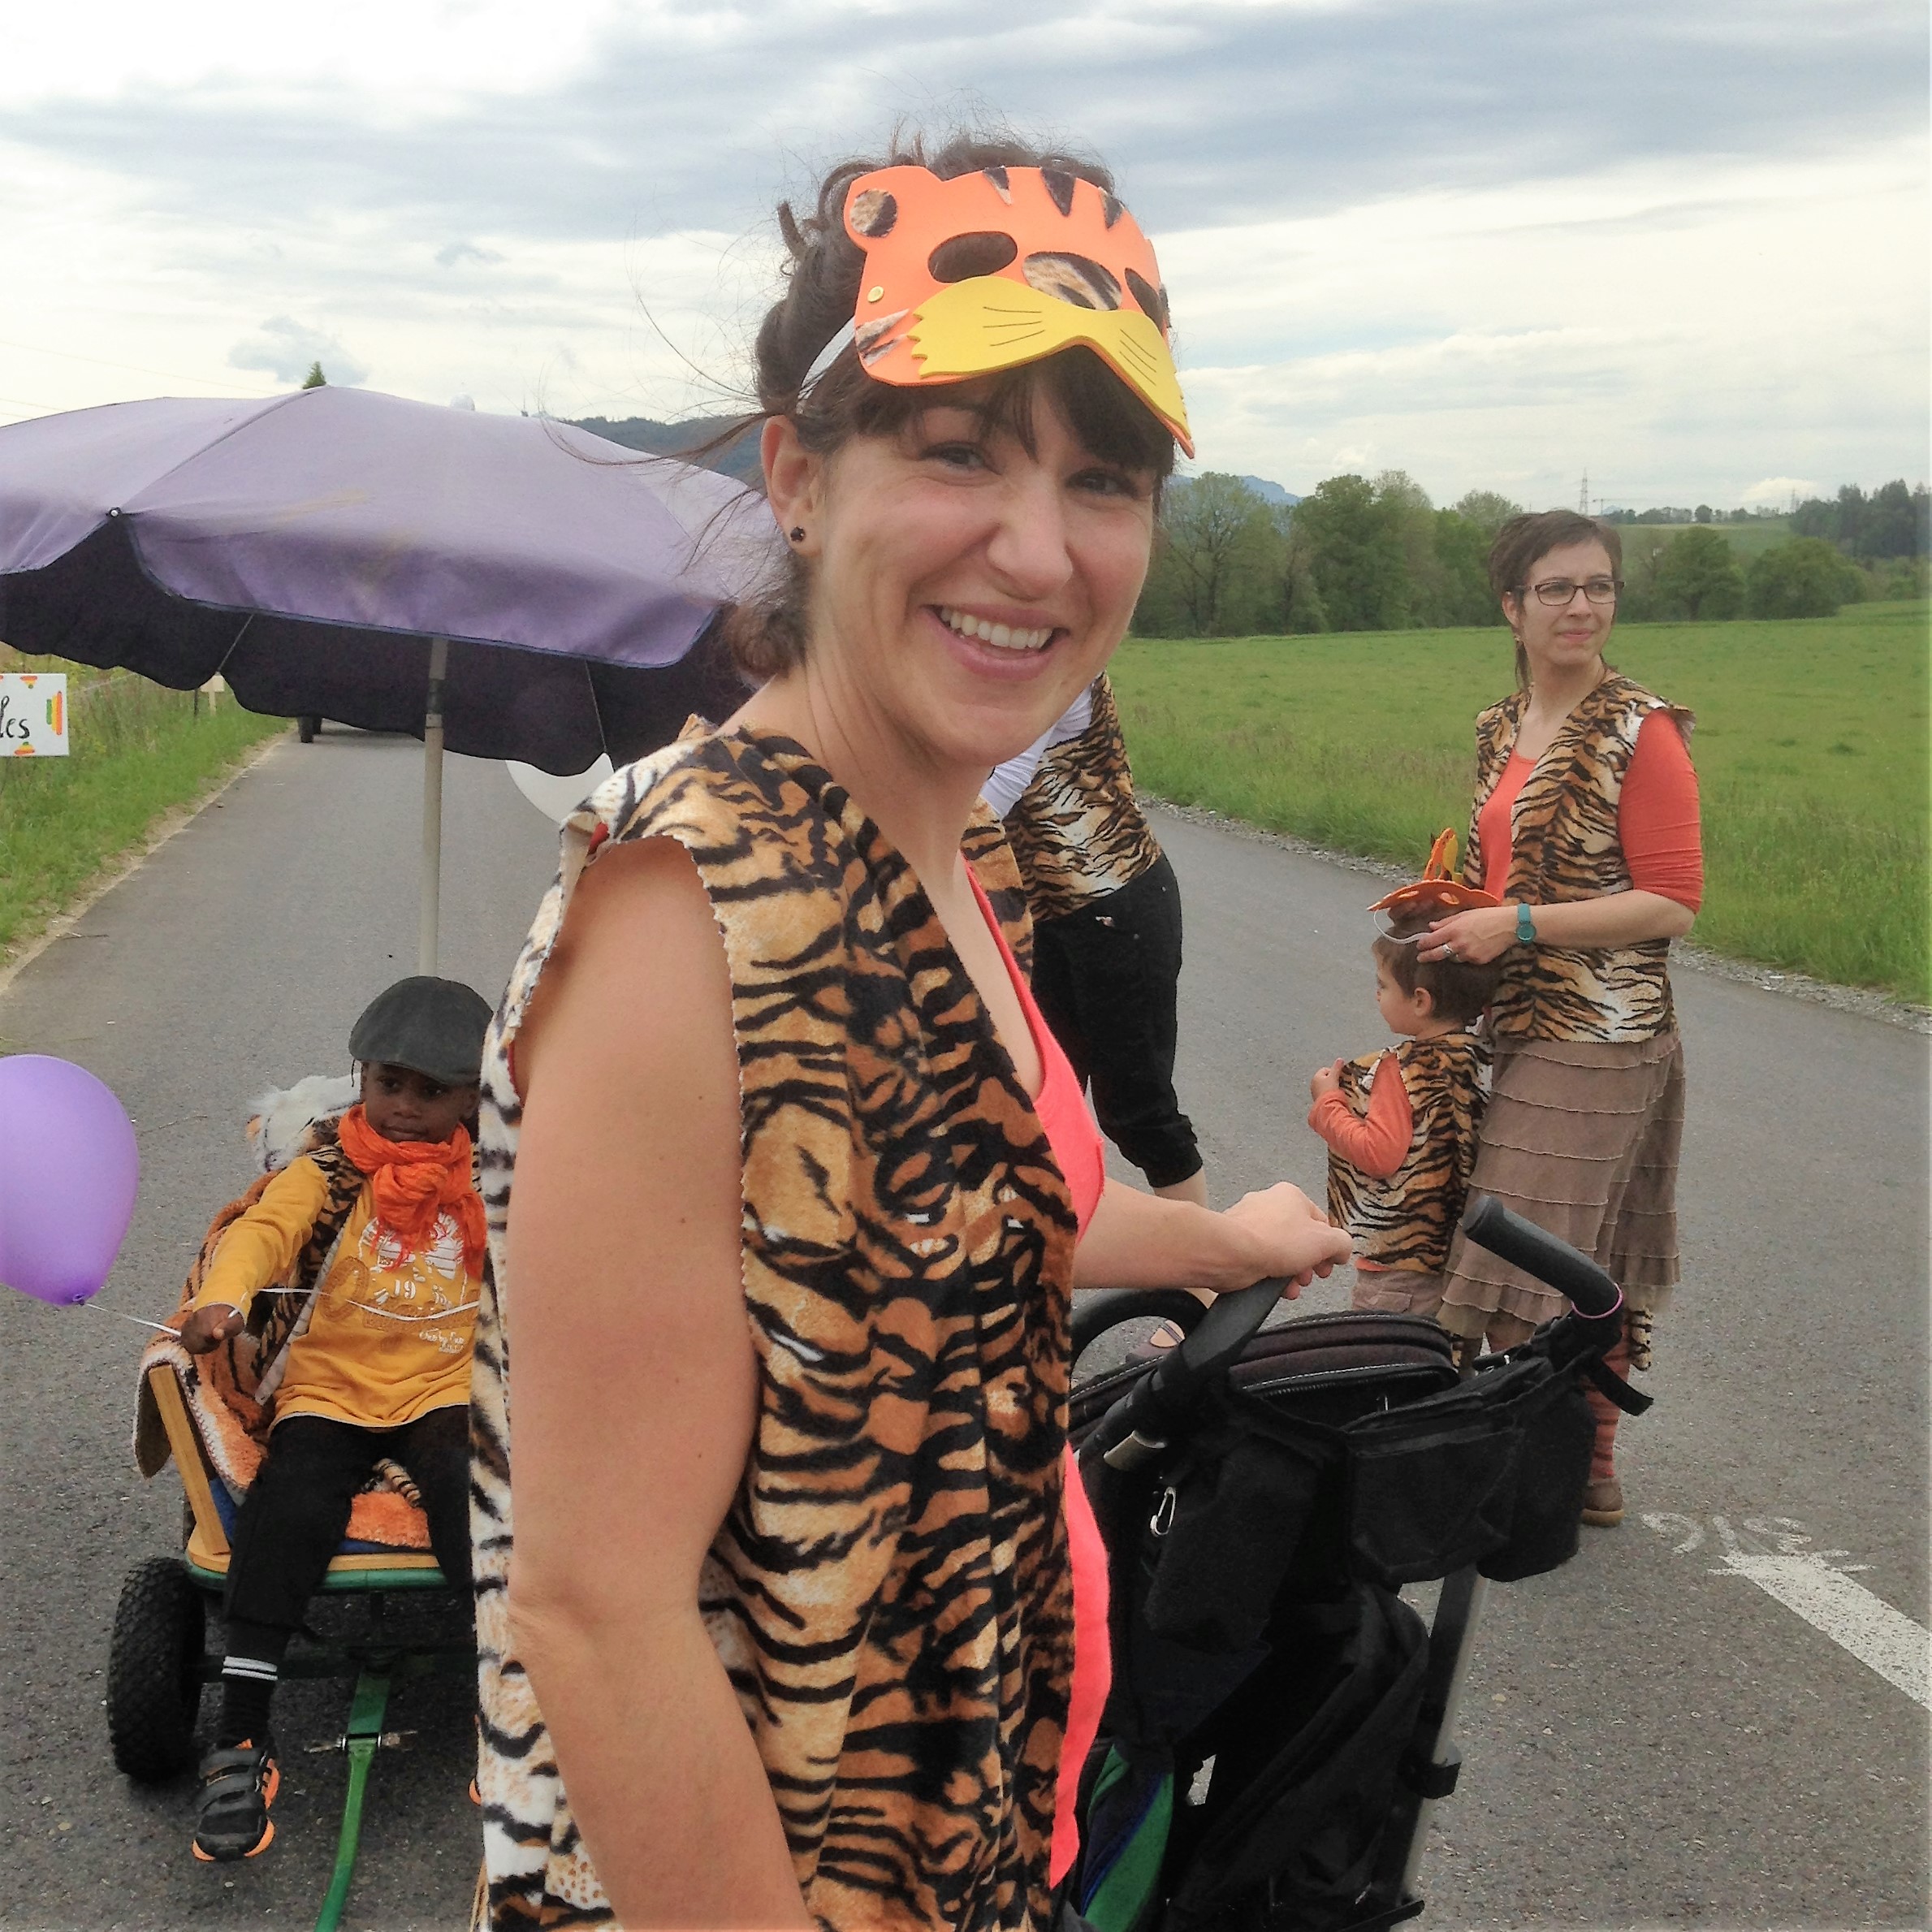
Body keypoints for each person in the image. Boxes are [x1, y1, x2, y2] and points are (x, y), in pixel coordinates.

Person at [470, 133, 1351, 1931]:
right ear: (798, 477)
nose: (1037, 548)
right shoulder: (695, 908)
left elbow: (952, 1204)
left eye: (1102, 480)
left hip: (966, 1844)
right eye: (958, 451)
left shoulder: (939, 850)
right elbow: (595, 1606)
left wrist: (1224, 1239)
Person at [1420, 510, 1703, 1528]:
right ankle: (1586, 1470)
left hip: (1605, 1033)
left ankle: (1531, 1471)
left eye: (1599, 586)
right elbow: (1499, 872)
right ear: (1513, 606)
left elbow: (1672, 902)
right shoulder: (1500, 726)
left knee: (1524, 1251)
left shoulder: (1642, 728)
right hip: (1520, 1021)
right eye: (1557, 588)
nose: (1582, 606)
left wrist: (1522, 922)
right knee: (1587, 1261)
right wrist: (1448, 913)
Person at [177, 975, 491, 1863]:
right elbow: (262, 1234)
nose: (405, 1107)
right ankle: (242, 1733)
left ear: (474, 1099)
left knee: (475, 1496)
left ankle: (505, 1704)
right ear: (361, 1078)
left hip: (444, 1384)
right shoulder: (328, 1170)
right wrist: (223, 1296)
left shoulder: (495, 1178)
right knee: (290, 1503)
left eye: (433, 1091)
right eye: (389, 1083)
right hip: (331, 1387)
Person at [985, 672, 1208, 1204]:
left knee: (1138, 1109)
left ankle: (1203, 1259)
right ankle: (1054, 1250)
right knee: (1038, 1103)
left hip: (1115, 902)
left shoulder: (1058, 665)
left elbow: (1001, 783)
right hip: (1042, 916)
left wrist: (895, 848)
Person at [1309, 894, 1500, 1320]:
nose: (1376, 994)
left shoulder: (1401, 1072)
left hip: (1400, 1266)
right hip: (1457, 1253)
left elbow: (1379, 1154)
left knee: (1385, 1354)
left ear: (1420, 1001)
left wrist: (1328, 1104)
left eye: (1383, 985)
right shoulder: (1482, 1058)